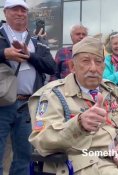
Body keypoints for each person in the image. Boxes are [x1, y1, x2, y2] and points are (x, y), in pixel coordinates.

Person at [28, 36, 118, 175]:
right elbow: (41, 140)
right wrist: (78, 124)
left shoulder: (112, 90)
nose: (93, 68)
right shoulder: (53, 95)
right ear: (72, 66)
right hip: (80, 166)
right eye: (86, 61)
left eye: (98, 62)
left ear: (104, 66)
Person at [0, 0, 56, 174]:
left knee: (24, 157)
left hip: (28, 105)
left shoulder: (37, 40)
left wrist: (29, 55)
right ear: (5, 13)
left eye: (23, 10)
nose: (19, 13)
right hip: (1, 104)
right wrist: (4, 53)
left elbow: (51, 66)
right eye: (14, 9)